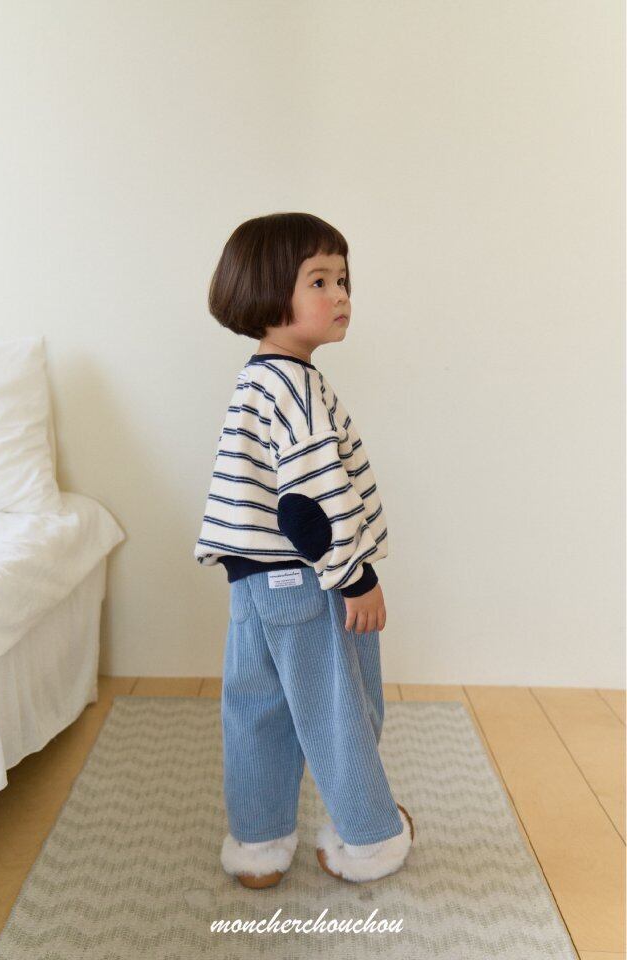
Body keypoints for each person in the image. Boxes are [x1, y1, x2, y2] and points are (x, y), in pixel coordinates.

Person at [194, 212, 414, 888]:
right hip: (307, 575)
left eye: (343, 279)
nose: (340, 295)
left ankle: (258, 843)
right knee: (338, 709)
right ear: (266, 292)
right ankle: (369, 838)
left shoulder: (258, 378)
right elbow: (307, 506)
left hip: (253, 581)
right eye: (319, 281)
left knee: (257, 707)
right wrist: (355, 578)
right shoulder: (298, 387)